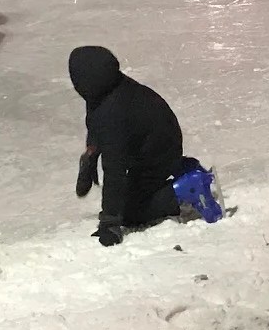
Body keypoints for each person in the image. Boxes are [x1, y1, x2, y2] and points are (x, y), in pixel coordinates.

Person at [69, 46, 221, 247]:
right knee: (127, 195)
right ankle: (184, 167)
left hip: (156, 155)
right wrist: (92, 152)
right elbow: (96, 123)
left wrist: (110, 222)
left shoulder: (113, 111)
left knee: (130, 212)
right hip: (158, 142)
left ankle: (185, 189)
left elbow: (115, 169)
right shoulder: (107, 89)